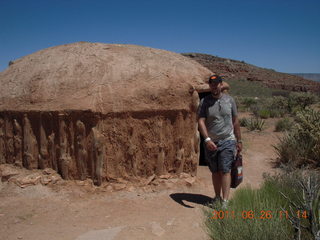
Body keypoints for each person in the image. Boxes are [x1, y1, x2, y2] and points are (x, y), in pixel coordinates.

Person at [197, 74, 242, 208]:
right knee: (215, 171)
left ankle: (225, 201)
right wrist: (207, 139)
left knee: (225, 170)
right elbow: (200, 121)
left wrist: (239, 140)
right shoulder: (205, 102)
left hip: (227, 140)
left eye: (216, 84)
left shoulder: (230, 101)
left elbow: (235, 121)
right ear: (209, 86)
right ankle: (217, 197)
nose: (214, 87)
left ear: (221, 85)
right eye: (211, 84)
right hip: (211, 142)